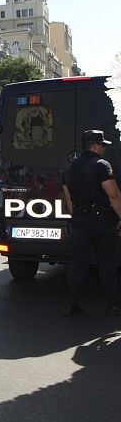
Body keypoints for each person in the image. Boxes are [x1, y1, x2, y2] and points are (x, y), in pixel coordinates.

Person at [61, 130, 121, 316]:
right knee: (107, 263)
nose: (104, 149)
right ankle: (114, 304)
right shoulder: (102, 165)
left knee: (78, 263)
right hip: (102, 221)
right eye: (104, 145)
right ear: (96, 145)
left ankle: (71, 303)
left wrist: (76, 217)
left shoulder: (69, 169)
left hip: (80, 221)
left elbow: (69, 200)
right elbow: (114, 196)